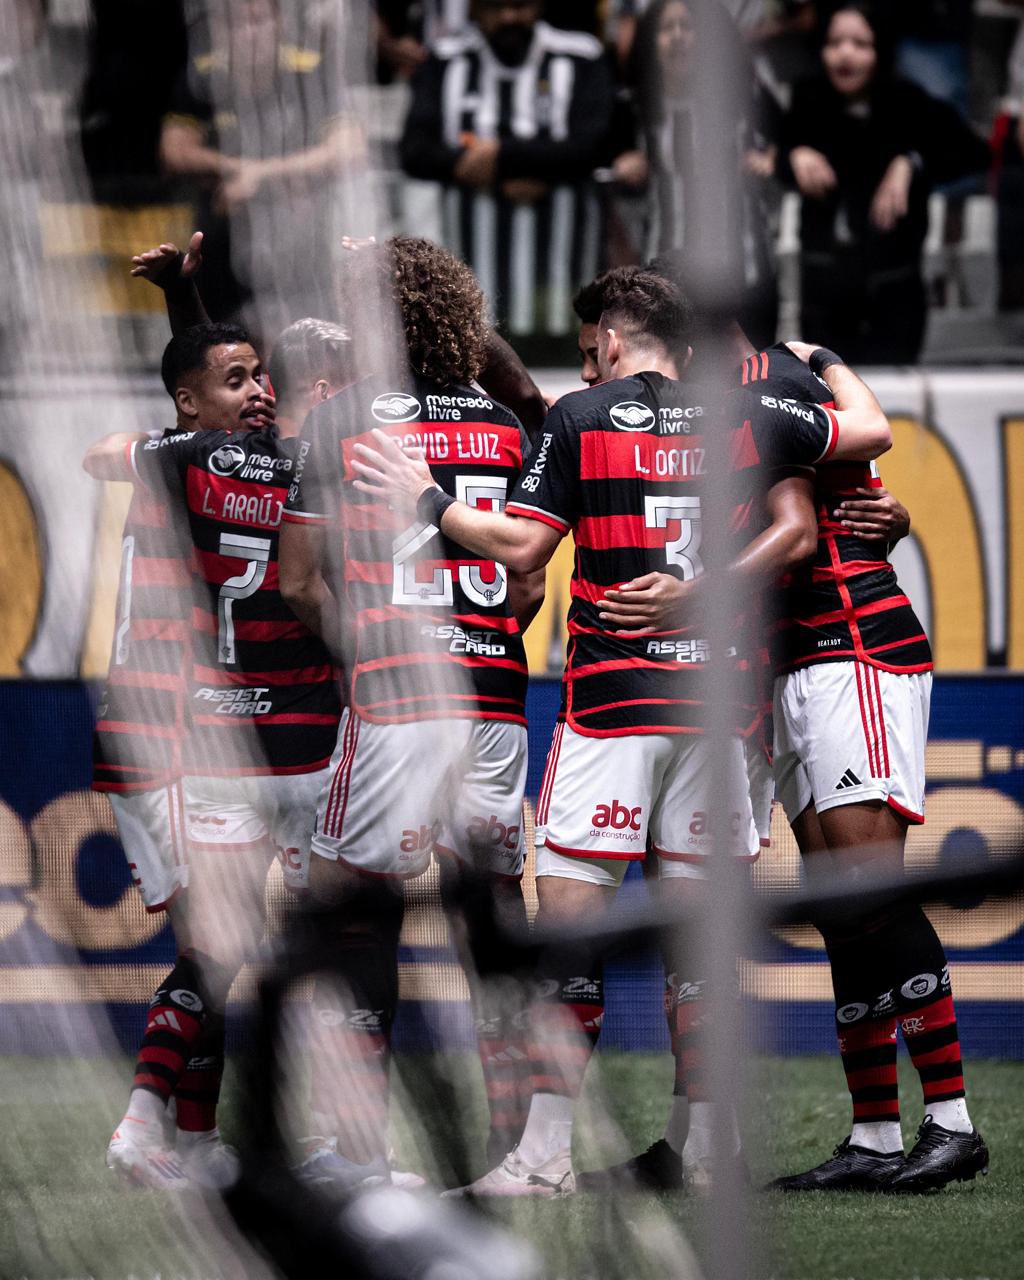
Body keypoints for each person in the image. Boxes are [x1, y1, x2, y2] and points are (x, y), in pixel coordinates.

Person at [351, 267, 895, 1196]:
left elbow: (522, 550)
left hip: (615, 705)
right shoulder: (752, 409)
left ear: (612, 332)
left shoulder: (581, 416)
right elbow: (806, 522)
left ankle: (543, 1156)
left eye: (591, 337)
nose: (588, 353)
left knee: (569, 924)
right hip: (723, 709)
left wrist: (428, 502)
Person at [278, 236, 544, 1186]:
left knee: (353, 914)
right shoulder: (506, 428)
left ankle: (359, 1152)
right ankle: (517, 1151)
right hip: (495, 697)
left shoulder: (338, 417)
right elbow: (525, 588)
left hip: (394, 693)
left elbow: (299, 581)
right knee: (497, 917)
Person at [86, 320, 346, 1187]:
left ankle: (191, 1143)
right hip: (187, 738)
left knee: (214, 950)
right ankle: (153, 1127)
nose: (262, 391)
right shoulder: (308, 468)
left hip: (192, 732)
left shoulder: (176, 460)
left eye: (266, 377)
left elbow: (106, 450)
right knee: (228, 952)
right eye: (241, 381)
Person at [780, 3, 989, 363]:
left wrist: (911, 161)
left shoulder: (906, 101)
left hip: (893, 293)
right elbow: (764, 154)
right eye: (835, 42)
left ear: (881, 50)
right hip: (825, 293)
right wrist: (792, 155)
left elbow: (974, 152)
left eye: (860, 44)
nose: (845, 53)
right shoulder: (807, 98)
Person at [399, 0, 614, 339]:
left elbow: (596, 145)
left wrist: (500, 156)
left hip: (565, 273)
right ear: (473, 9)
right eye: (495, 7)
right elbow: (415, 152)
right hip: (474, 270)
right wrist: (522, 170)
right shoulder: (445, 60)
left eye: (520, 5)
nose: (509, 18)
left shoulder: (580, 56)